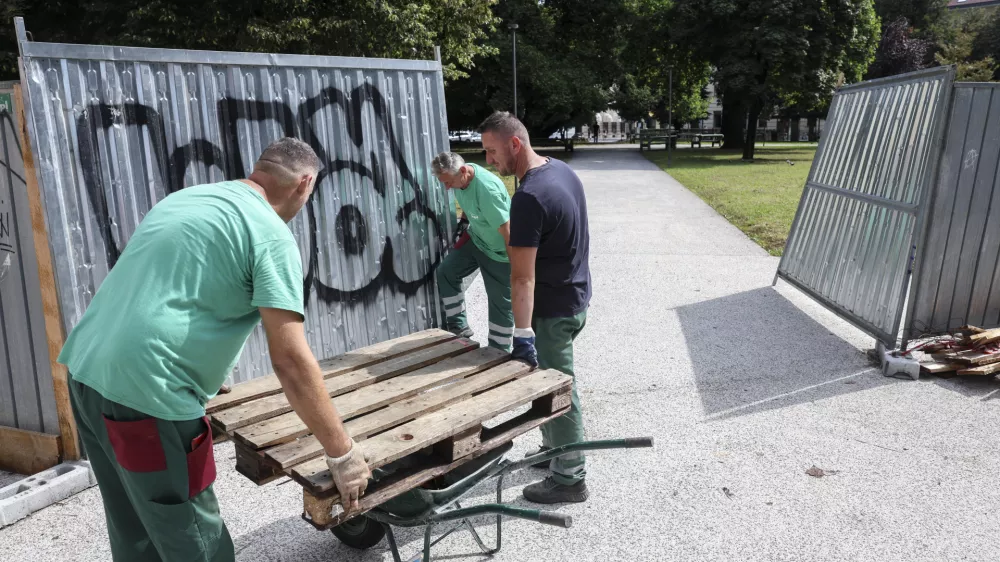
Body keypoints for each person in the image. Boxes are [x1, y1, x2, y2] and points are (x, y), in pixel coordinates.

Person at [57, 138, 371, 561]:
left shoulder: (188, 199)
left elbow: (173, 289)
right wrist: (342, 453)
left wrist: (205, 365)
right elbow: (291, 361)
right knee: (194, 541)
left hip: (85, 372)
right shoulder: (270, 235)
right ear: (305, 183)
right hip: (149, 398)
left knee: (136, 528)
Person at [479, 112, 591, 504]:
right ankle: (553, 451)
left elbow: (522, 277)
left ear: (514, 144)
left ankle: (570, 477)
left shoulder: (527, 198)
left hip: (553, 308)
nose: (489, 161)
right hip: (576, 297)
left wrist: (522, 334)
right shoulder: (560, 170)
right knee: (553, 382)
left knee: (560, 388)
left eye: (492, 152)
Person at [432, 151, 515, 351]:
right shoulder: (460, 178)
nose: (446, 187)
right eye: (443, 182)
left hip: (499, 253)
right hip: (477, 240)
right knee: (446, 272)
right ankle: (458, 327)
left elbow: (509, 233)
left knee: (500, 304)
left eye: (448, 182)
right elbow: (471, 208)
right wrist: (464, 226)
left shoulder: (487, 191)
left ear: (463, 171)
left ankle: (499, 351)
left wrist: (516, 268)